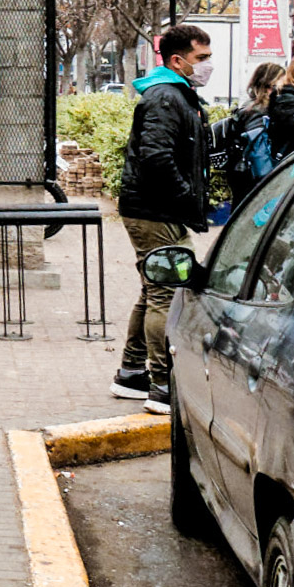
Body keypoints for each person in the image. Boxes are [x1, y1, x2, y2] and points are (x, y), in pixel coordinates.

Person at [112, 23, 214, 415]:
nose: (206, 66)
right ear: (177, 60)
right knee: (165, 292)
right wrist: (185, 196)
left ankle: (131, 373)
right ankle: (160, 386)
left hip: (154, 208)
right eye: (200, 58)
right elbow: (156, 157)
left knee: (153, 287)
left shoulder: (176, 95)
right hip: (156, 209)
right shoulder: (166, 98)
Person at [215, 62, 283, 206]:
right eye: (281, 85)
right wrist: (271, 184)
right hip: (252, 179)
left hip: (243, 175)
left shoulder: (251, 107)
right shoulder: (257, 111)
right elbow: (258, 153)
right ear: (267, 86)